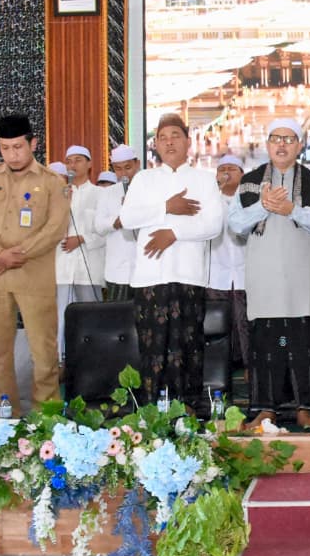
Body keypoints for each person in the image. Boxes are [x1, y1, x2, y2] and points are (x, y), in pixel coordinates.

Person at [227, 118, 310, 431]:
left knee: (302, 346)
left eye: (289, 139)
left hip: (301, 279)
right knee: (265, 347)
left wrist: (293, 211)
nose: (282, 144)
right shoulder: (250, 182)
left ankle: (305, 410)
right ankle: (265, 411)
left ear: (299, 145)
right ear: (267, 144)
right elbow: (235, 224)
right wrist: (263, 206)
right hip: (265, 279)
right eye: (276, 138)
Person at [119, 114, 224, 407]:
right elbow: (127, 218)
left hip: (189, 276)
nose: (169, 143)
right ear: (155, 145)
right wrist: (166, 207)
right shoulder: (144, 179)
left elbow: (213, 224)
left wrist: (173, 233)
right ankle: (151, 413)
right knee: (152, 350)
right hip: (150, 277)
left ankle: (187, 411)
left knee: (188, 348)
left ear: (188, 141)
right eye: (162, 138)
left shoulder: (204, 180)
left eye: (175, 136)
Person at [0, 114, 69, 414]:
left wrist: (18, 254)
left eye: (17, 147)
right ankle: (5, 414)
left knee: (44, 352)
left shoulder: (52, 182)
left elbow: (56, 228)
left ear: (33, 143)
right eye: (5, 148)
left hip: (34, 275)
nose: (12, 155)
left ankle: (47, 417)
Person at [55, 144, 105, 357]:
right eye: (69, 161)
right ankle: (61, 361)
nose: (72, 165)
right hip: (62, 267)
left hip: (89, 269)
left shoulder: (101, 194)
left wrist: (83, 239)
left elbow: (107, 231)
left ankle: (93, 361)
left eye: (78, 160)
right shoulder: (58, 194)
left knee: (91, 318)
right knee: (60, 318)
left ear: (89, 164)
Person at [206, 153, 249, 367]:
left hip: (245, 273)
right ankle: (220, 367)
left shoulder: (250, 201)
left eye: (232, 169)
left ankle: (249, 366)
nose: (226, 173)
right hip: (216, 273)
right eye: (222, 169)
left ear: (242, 174)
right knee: (219, 323)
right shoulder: (209, 200)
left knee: (245, 321)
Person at [93, 144, 141, 302]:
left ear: (137, 164)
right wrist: (116, 222)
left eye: (128, 167)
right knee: (117, 314)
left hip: (145, 269)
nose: (124, 173)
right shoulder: (107, 193)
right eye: (118, 169)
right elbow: (99, 226)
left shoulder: (149, 190)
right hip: (118, 270)